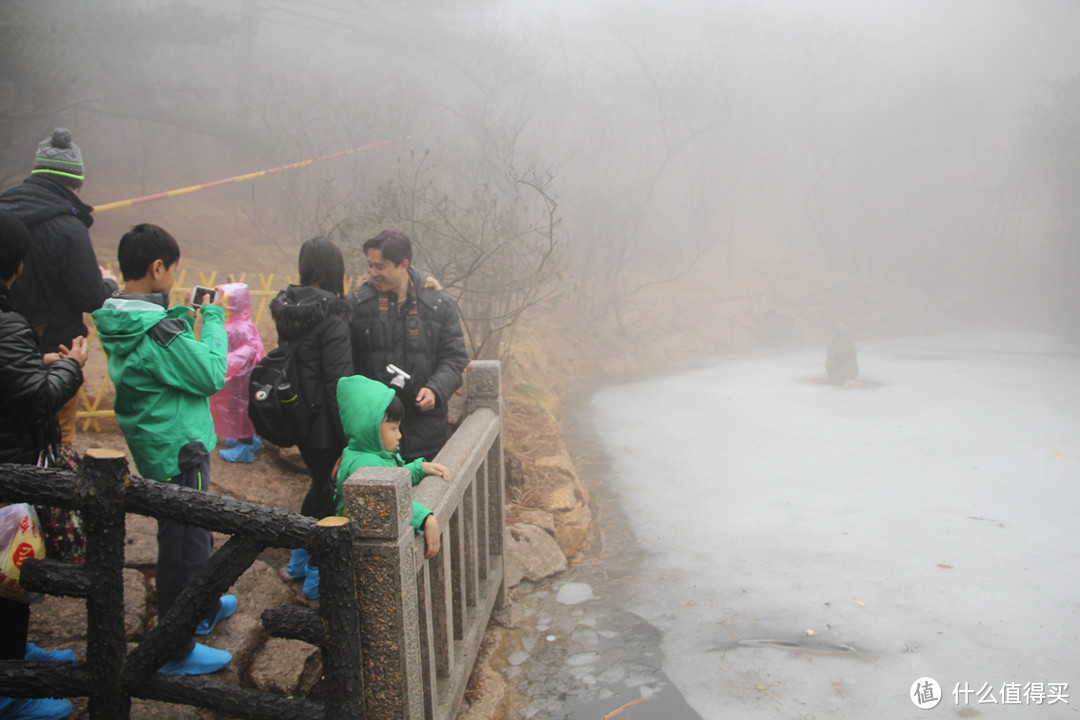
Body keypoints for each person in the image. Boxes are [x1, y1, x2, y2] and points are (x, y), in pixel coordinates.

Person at [91, 223, 235, 676]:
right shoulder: (159, 332)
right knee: (185, 543)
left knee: (188, 529)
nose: (175, 275)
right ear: (157, 268)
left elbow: (164, 361)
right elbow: (212, 373)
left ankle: (203, 601)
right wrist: (211, 320)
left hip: (157, 439)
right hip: (180, 446)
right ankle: (176, 644)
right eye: (172, 269)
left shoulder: (123, 317)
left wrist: (175, 321)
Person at [0, 210, 85, 720]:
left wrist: (39, 363)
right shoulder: (7, 322)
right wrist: (71, 367)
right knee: (10, 571)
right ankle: (11, 690)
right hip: (9, 469)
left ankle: (15, 655)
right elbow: (33, 402)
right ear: (16, 265)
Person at [0, 128, 117, 447]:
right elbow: (90, 296)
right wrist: (107, 282)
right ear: (76, 182)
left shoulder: (4, 212)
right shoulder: (68, 226)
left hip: (5, 348)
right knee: (55, 439)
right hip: (56, 350)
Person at [268, 237, 353, 600]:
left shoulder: (290, 307)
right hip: (324, 424)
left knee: (319, 485)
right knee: (329, 493)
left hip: (298, 415)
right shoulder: (332, 314)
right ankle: (318, 576)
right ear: (335, 269)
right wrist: (347, 433)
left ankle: (299, 560)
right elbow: (338, 381)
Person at [347, 230, 468, 463]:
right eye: (370, 266)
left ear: (403, 264)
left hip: (425, 430)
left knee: (424, 496)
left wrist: (435, 389)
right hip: (374, 432)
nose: (373, 273)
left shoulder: (438, 305)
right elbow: (345, 367)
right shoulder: (357, 306)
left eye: (380, 266)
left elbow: (454, 358)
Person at [334, 374, 449, 561]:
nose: (399, 435)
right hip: (360, 556)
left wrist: (419, 468)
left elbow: (392, 480)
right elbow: (385, 503)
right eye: (393, 428)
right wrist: (424, 518)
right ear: (369, 428)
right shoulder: (363, 466)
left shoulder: (378, 454)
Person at [210, 282, 264, 463]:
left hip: (241, 378)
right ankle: (243, 437)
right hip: (236, 378)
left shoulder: (240, 327)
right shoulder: (236, 324)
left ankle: (246, 445)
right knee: (235, 409)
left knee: (242, 410)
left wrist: (225, 361)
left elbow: (249, 348)